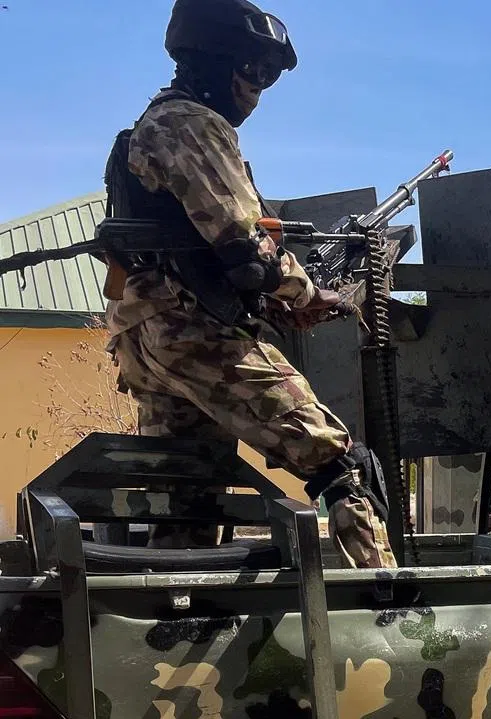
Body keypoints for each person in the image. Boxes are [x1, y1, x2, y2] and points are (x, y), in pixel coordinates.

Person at [101, 0, 397, 569]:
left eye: (269, 78)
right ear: (212, 62)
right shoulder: (193, 124)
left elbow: (210, 250)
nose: (257, 93)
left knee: (188, 491)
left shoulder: (152, 124)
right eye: (253, 72)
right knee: (340, 463)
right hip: (194, 332)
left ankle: (178, 619)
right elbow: (244, 247)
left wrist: (273, 297)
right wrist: (308, 294)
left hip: (148, 336)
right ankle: (392, 604)